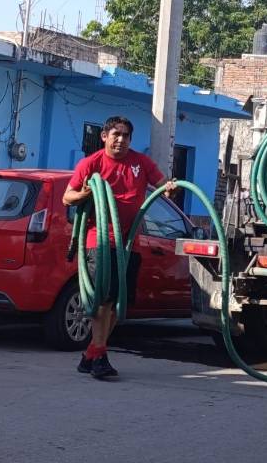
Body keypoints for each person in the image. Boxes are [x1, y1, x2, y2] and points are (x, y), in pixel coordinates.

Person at [63, 116, 176, 380]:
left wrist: (168, 188)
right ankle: (100, 356)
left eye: (125, 135)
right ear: (104, 136)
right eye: (116, 134)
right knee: (103, 299)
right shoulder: (91, 164)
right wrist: (86, 194)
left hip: (130, 242)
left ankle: (91, 353)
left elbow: (162, 186)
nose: (121, 139)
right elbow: (67, 197)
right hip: (100, 241)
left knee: (116, 302)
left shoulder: (140, 162)